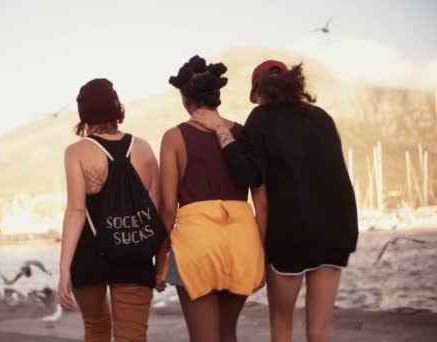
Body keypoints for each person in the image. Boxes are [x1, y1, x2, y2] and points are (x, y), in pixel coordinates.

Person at [192, 60, 359, 342]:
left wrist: (220, 129)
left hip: (292, 234)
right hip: (336, 230)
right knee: (319, 332)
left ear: (260, 92)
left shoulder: (261, 118)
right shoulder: (322, 117)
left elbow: (250, 175)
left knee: (282, 325)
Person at [157, 56, 266, 342]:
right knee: (228, 333)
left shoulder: (174, 138)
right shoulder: (242, 133)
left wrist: (159, 260)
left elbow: (168, 208)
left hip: (197, 244)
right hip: (242, 241)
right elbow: (261, 198)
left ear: (184, 97)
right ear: (217, 94)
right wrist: (261, 252)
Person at [59, 78, 160, 342]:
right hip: (135, 254)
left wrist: (64, 269)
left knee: (96, 329)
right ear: (118, 110)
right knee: (133, 337)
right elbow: (156, 212)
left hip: (89, 255)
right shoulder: (144, 149)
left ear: (84, 115)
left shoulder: (77, 152)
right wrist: (162, 260)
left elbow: (76, 211)